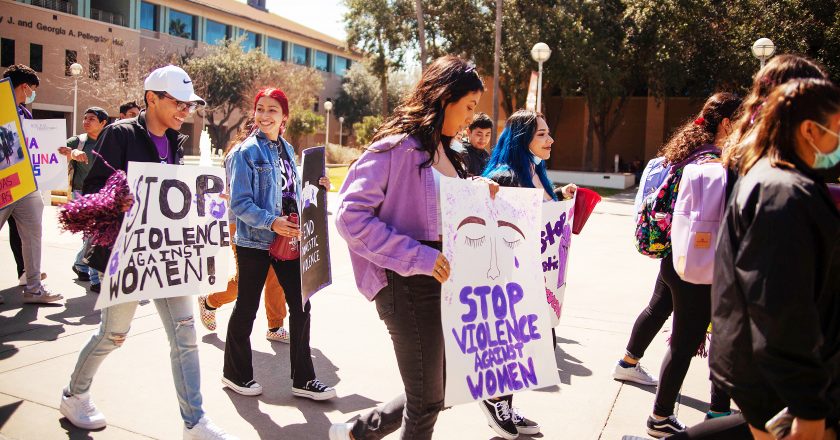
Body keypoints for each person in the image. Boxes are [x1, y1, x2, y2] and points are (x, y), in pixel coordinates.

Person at [60, 65, 236, 440]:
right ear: (151, 98)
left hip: (167, 255)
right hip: (127, 257)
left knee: (185, 335)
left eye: (189, 104)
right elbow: (93, 191)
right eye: (177, 102)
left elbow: (172, 195)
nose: (185, 110)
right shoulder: (118, 134)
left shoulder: (176, 141)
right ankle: (74, 395)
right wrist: (119, 200)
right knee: (113, 335)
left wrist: (206, 202)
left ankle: (195, 422)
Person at [333, 55, 488, 440]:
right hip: (404, 285)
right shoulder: (394, 150)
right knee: (427, 400)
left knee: (442, 385)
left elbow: (442, 208)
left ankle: (359, 431)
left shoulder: (449, 153)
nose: (471, 118)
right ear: (443, 97)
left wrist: (479, 192)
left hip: (444, 284)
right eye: (468, 106)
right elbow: (350, 217)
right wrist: (418, 256)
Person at [712, 78, 840, 440]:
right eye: (838, 127)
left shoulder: (776, 182)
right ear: (810, 130)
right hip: (783, 389)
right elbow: (782, 307)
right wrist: (809, 408)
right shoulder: (782, 193)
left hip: (773, 380)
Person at [627, 92, 742, 438]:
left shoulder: (686, 152)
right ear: (725, 123)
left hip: (677, 256)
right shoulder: (716, 163)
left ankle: (707, 410)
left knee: (684, 334)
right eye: (741, 122)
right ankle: (662, 416)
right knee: (688, 340)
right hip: (700, 262)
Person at [223, 87, 334, 400]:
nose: (264, 115)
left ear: (285, 116)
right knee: (247, 307)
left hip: (289, 242)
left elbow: (293, 194)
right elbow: (239, 203)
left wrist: (318, 186)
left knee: (301, 305)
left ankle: (303, 380)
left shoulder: (286, 149)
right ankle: (235, 373)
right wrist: (272, 222)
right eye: (260, 109)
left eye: (272, 110)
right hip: (256, 241)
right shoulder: (245, 152)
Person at [480, 109, 575, 439]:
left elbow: (542, 215)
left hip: (538, 278)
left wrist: (560, 197)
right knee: (511, 344)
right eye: (542, 134)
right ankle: (495, 399)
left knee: (526, 346)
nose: (551, 139)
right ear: (523, 139)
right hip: (511, 280)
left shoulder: (536, 171)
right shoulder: (506, 177)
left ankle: (502, 400)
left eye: (548, 133)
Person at [197, 118, 290, 343]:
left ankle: (275, 325)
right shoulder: (240, 153)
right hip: (241, 224)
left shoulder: (280, 151)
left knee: (276, 276)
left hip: (273, 222)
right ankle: (210, 301)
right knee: (246, 281)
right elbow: (233, 194)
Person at [0, 64, 59, 304]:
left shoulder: (24, 113)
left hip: (25, 183)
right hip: (4, 181)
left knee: (33, 232)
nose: (30, 96)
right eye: (30, 90)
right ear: (24, 86)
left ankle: (34, 287)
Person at [58, 107, 109, 293]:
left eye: (92, 119)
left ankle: (81, 264)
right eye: (85, 118)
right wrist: (71, 153)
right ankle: (96, 280)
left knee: (93, 235)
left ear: (103, 123)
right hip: (81, 194)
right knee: (93, 235)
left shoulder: (109, 140)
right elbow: (57, 150)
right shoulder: (78, 141)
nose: (86, 121)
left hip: (103, 194)